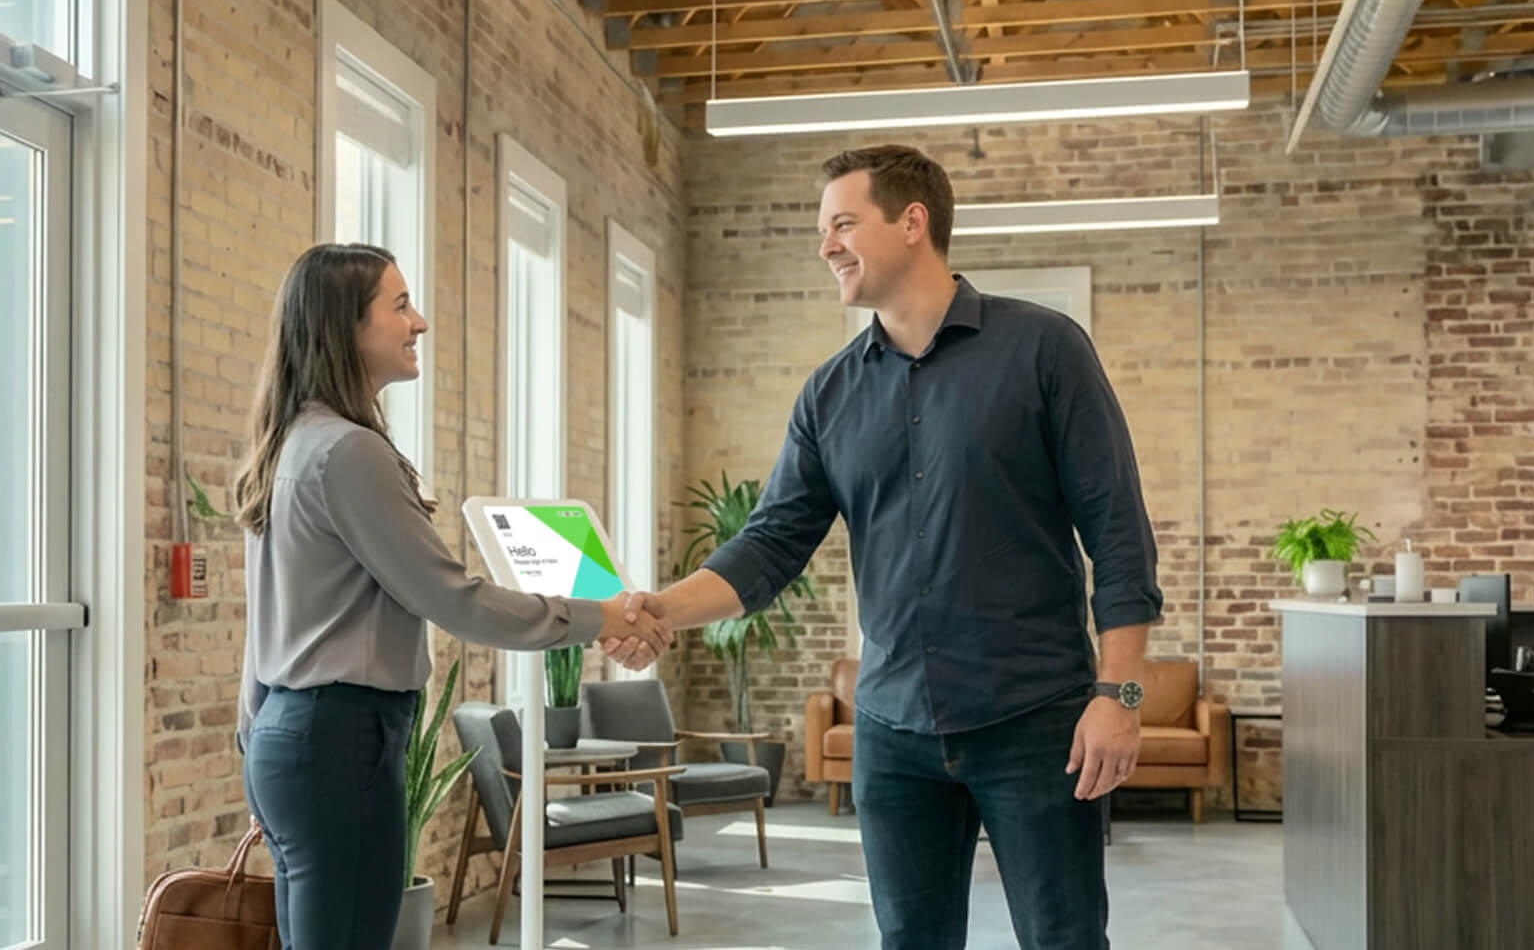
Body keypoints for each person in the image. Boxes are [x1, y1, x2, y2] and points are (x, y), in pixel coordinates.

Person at [623, 146, 1161, 949]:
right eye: (821, 229)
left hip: (1034, 721)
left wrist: (1117, 698)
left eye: (842, 223)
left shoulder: (1044, 349)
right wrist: (660, 606)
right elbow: (770, 544)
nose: (825, 245)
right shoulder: (829, 393)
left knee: (1064, 938)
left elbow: (1118, 531)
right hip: (893, 729)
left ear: (912, 223)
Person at [233, 242, 672, 950]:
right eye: (399, 305)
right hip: (340, 739)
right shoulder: (349, 451)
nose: (421, 322)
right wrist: (601, 616)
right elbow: (454, 599)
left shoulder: (292, 443)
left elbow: (262, 626)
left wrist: (257, 743)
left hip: (290, 736)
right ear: (345, 324)